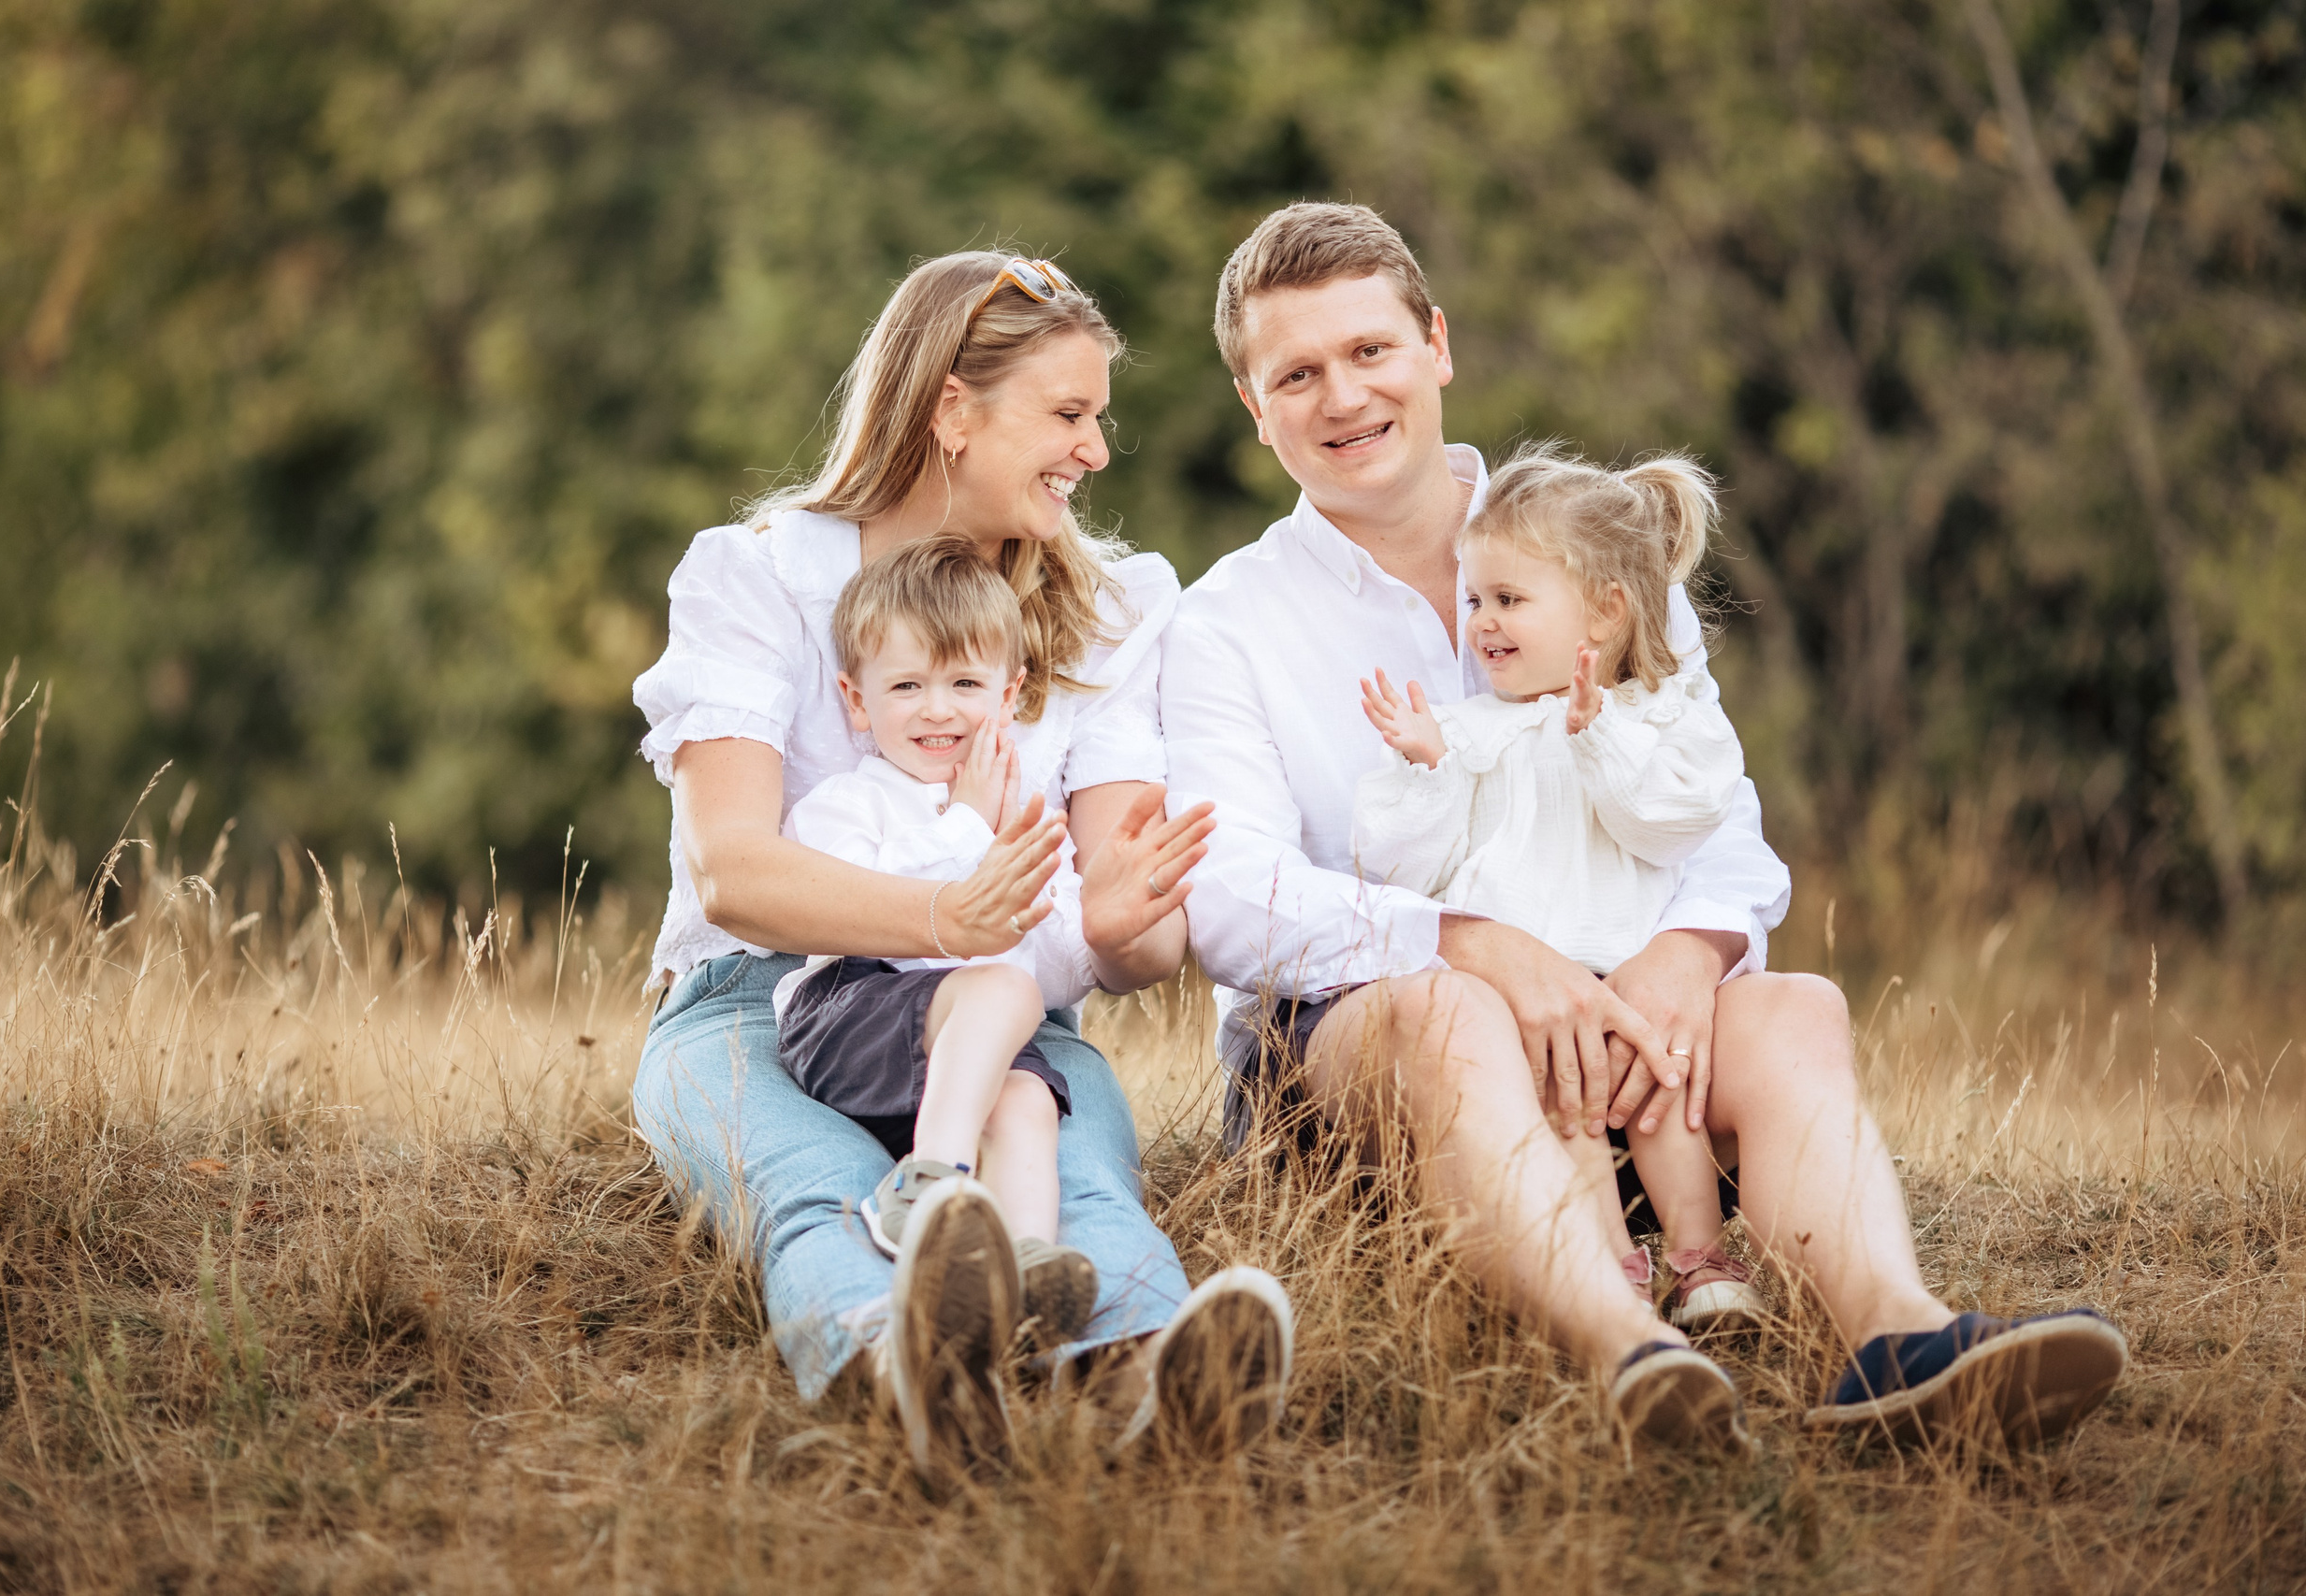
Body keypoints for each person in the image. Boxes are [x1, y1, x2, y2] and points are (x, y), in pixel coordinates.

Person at [1163, 201, 2126, 1452]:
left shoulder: (1595, 545)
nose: (1343, 395)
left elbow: (1713, 816)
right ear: (1255, 406)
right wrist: (1477, 947)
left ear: (1436, 345)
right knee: (1447, 1014)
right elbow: (1228, 895)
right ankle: (1637, 1354)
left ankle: (1898, 1340)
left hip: (1621, 1044)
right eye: (1297, 374)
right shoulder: (1226, 622)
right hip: (1364, 1065)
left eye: (1370, 350)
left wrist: (1685, 955)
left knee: (1792, 1007)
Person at [631, 252, 1293, 1480]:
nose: (1095, 450)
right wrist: (948, 912)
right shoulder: (759, 578)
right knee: (817, 1181)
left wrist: (1128, 922)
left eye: (1098, 417)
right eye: (1068, 413)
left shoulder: (1106, 613)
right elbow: (733, 872)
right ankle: (908, 1376)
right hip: (755, 997)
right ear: (952, 410)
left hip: (1007, 1004)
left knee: (1073, 1169)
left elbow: (1131, 937)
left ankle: (1156, 1376)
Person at [1350, 441, 1767, 1335]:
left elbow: (1676, 818)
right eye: (1475, 600)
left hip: (1633, 974)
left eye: (1509, 599)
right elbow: (1404, 865)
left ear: (1605, 611)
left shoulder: (1658, 716)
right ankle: (1612, 1265)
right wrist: (1428, 766)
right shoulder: (1469, 730)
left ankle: (1701, 1259)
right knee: (1566, 1110)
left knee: (1665, 1101)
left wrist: (1598, 733)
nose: (1483, 623)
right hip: (1525, 993)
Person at [772, 538, 1102, 1346]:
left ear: (1009, 694)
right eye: (906, 685)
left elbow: (1054, 972)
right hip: (846, 1010)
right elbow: (880, 919)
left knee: (1027, 1096)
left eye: (964, 684)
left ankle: (1023, 1263)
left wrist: (1090, 918)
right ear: (857, 700)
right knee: (1003, 991)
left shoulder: (1026, 820)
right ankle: (930, 1183)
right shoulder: (846, 806)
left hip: (965, 1044)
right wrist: (970, 828)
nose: (937, 709)